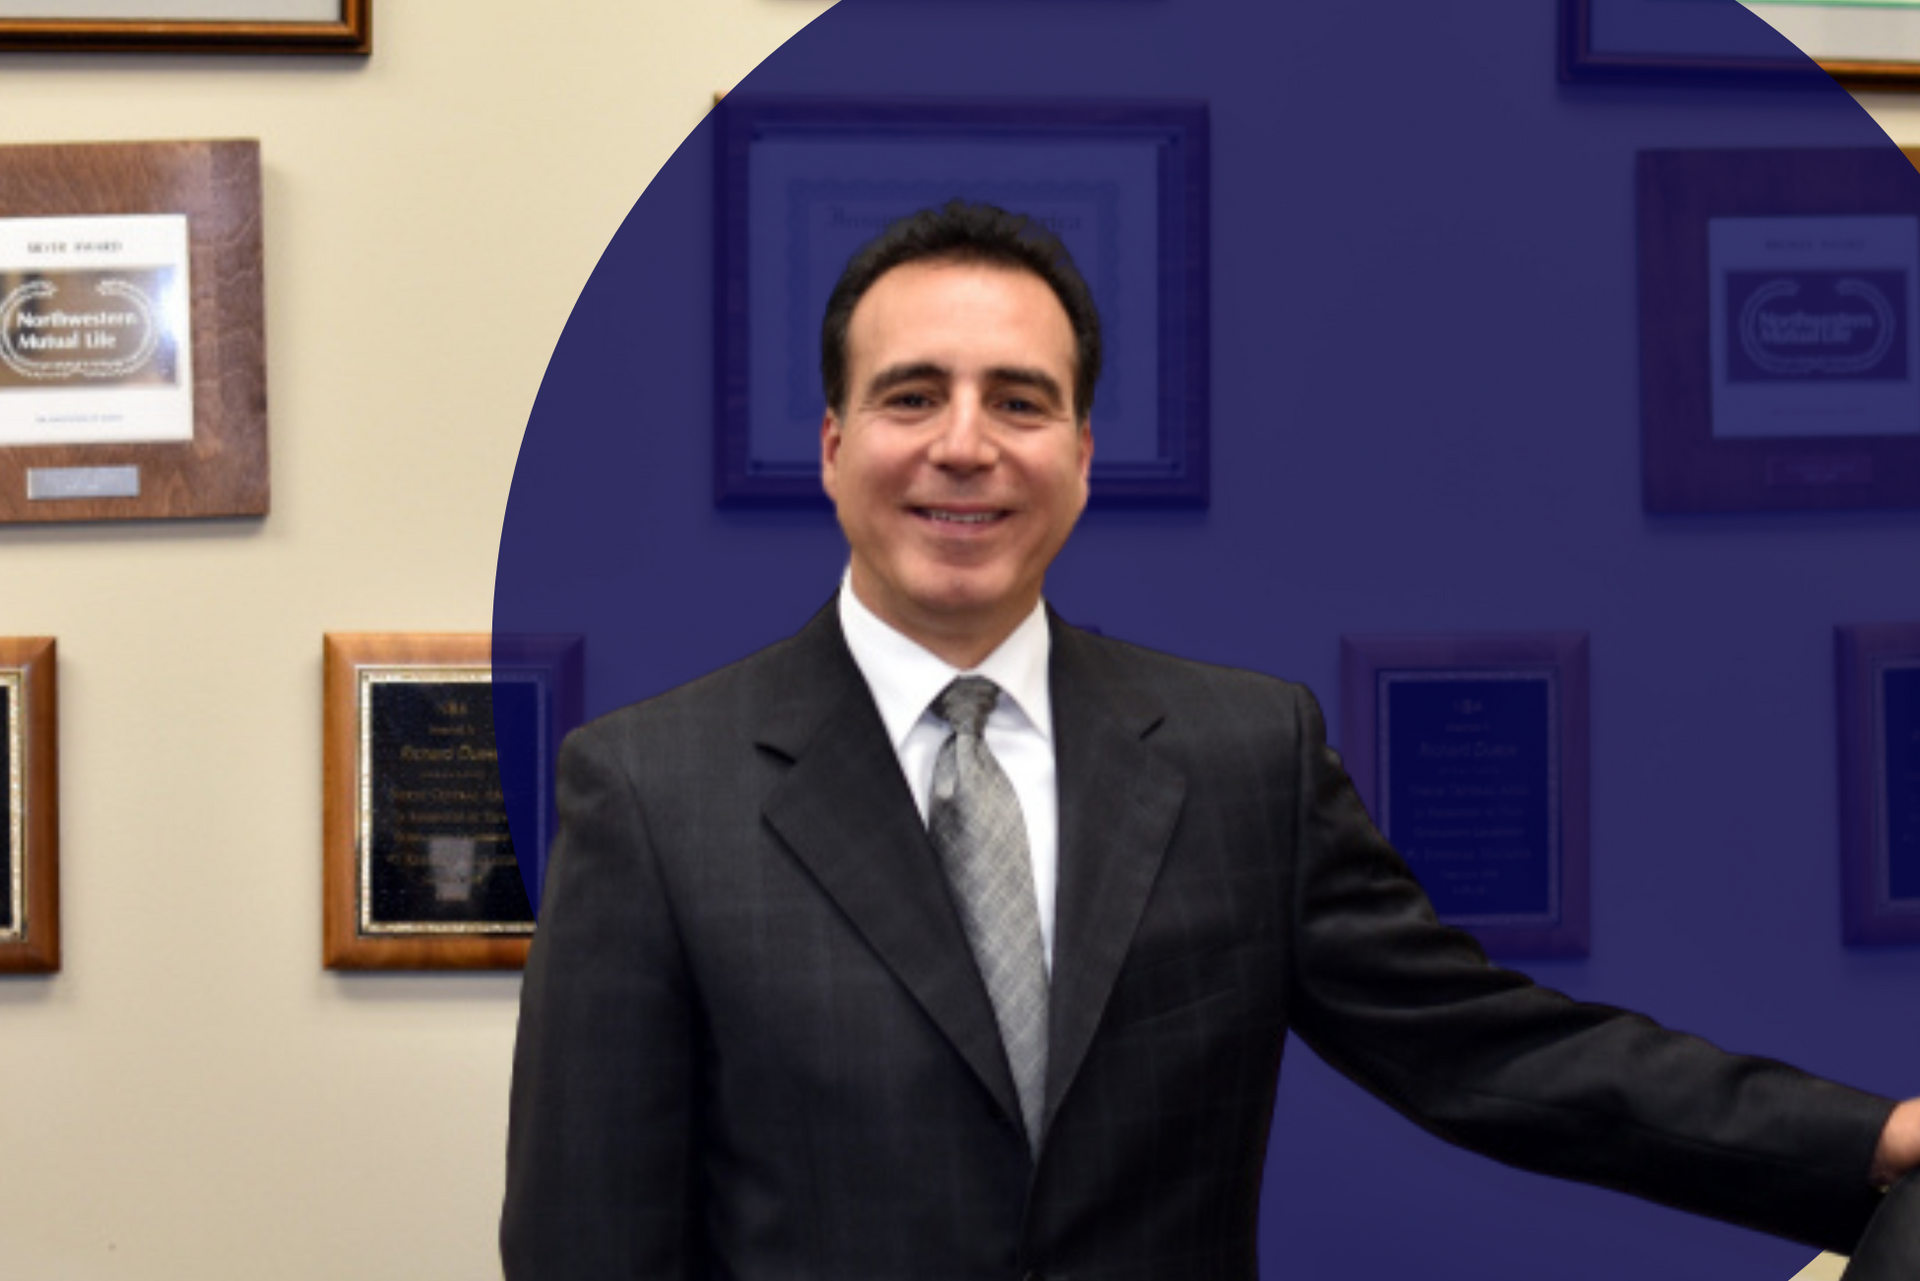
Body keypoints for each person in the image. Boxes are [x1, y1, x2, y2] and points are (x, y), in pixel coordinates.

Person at [501, 201, 1919, 1280]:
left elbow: (1491, 1055)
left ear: (1081, 455)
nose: (965, 444)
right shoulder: (650, 788)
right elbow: (587, 1242)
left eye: (1021, 400)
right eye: (912, 394)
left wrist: (1869, 1144)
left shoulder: (1244, 754)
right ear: (830, 446)